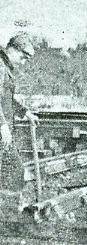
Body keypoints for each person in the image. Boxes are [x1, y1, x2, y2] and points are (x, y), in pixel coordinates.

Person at [0, 33, 40, 214]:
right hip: (2, 130)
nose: (23, 63)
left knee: (11, 170)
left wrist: (25, 112)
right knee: (13, 169)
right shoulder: (0, 68)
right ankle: (9, 213)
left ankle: (8, 211)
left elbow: (6, 97)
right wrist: (2, 127)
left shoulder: (4, 67)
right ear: (13, 49)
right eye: (23, 58)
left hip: (4, 129)